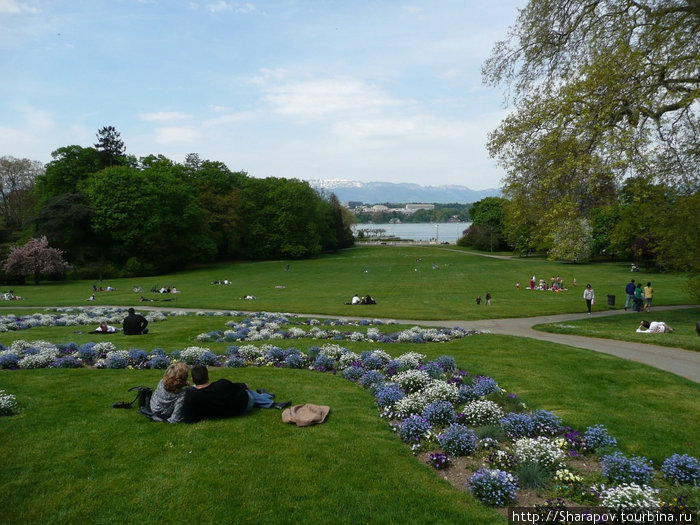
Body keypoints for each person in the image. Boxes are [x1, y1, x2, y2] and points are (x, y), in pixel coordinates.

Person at [182, 365, 290, 423]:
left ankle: (265, 395)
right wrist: (244, 385)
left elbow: (189, 419)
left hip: (218, 413)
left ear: (193, 379)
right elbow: (241, 387)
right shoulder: (221, 384)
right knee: (248, 392)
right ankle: (270, 401)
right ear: (208, 377)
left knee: (245, 392)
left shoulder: (191, 395)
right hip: (241, 409)